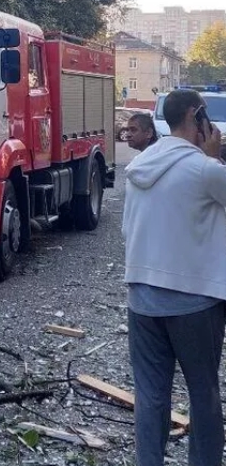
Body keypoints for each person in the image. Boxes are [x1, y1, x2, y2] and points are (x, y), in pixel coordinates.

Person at [122, 88, 226, 466]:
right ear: (196, 115)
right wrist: (213, 158)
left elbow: (126, 230)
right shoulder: (204, 168)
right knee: (203, 394)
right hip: (194, 301)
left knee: (149, 395)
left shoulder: (141, 166)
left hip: (141, 298)